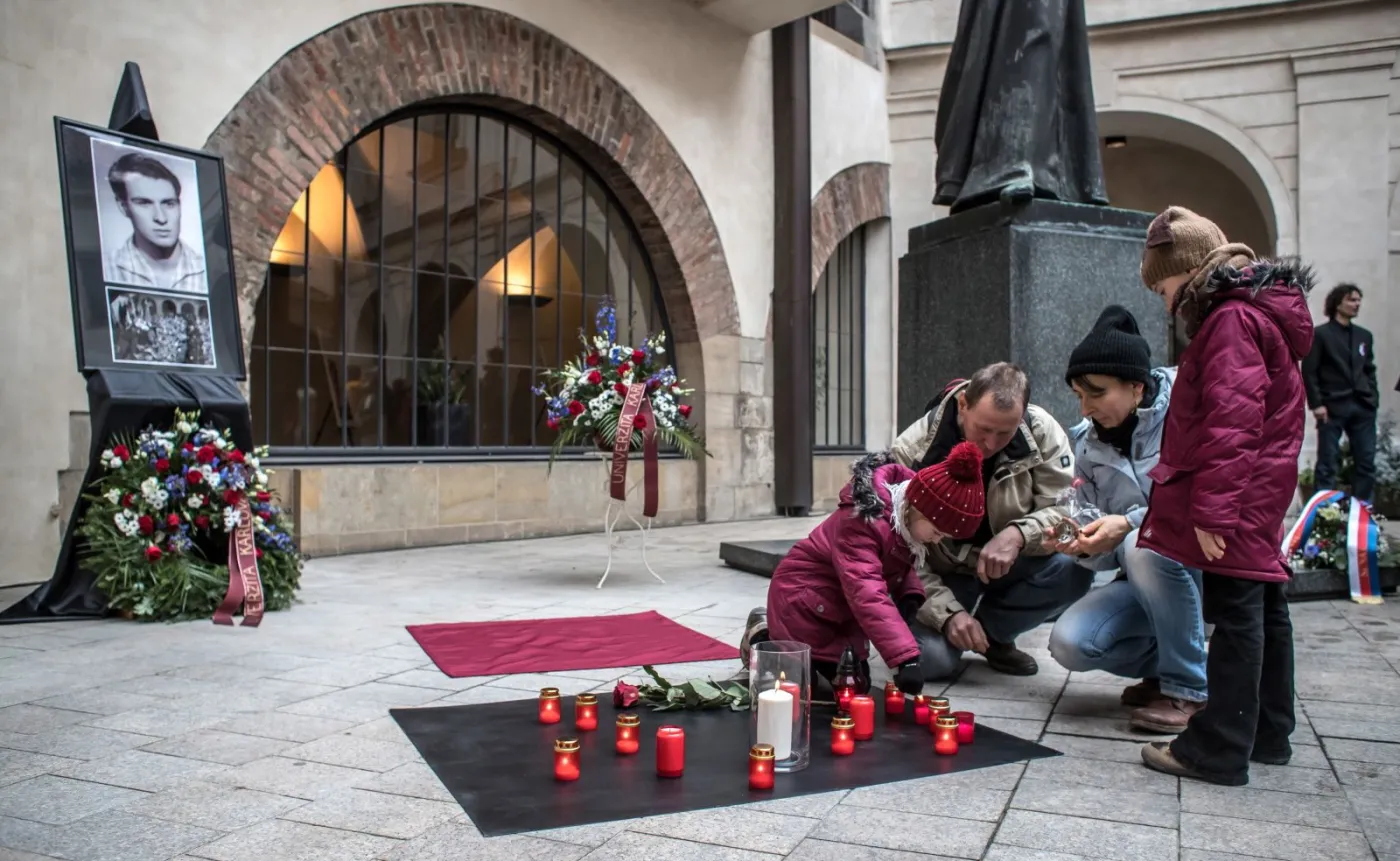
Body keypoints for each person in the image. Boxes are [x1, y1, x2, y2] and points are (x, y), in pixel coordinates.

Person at [1134, 206, 1313, 786]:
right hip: (1259, 489)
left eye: (1161, 286)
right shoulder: (1251, 313)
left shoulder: (1231, 320)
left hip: (1237, 493)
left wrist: (1213, 508)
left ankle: (1216, 747)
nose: (1162, 300)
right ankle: (1266, 731)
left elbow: (1233, 423)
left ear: (1186, 272)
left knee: (1237, 614)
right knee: (1262, 605)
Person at [1046, 305, 1208, 733]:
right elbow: (1108, 553)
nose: (1084, 409)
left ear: (1137, 387)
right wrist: (1084, 545)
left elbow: (1199, 498)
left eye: (1096, 393)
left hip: (1206, 568)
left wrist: (1130, 524)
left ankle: (1189, 690)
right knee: (1069, 643)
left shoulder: (1187, 410)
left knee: (1143, 542)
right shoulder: (1086, 446)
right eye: (1078, 395)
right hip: (1140, 577)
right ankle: (1166, 670)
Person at [891, 362, 1093, 678]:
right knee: (929, 662)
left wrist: (1018, 535)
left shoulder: (1043, 432)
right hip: (941, 574)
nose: (991, 443)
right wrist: (947, 615)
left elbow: (1068, 510)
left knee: (1076, 568)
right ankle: (957, 630)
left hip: (1014, 562)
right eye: (983, 429)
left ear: (1024, 414)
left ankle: (993, 635)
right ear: (963, 405)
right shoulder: (912, 451)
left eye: (1005, 432)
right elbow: (898, 552)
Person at [751, 442, 988, 696]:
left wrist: (910, 596)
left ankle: (774, 639)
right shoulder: (862, 523)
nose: (938, 539)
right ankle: (764, 638)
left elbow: (897, 563)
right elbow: (867, 592)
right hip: (802, 604)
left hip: (840, 610)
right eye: (937, 531)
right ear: (917, 508)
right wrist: (904, 658)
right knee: (807, 692)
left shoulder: (905, 525)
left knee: (855, 688)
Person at [1303, 283, 1378, 502]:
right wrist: (1316, 404)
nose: (1357, 304)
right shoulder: (1321, 335)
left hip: (1362, 406)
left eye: (1358, 300)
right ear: (1338, 303)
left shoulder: (1364, 336)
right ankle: (1324, 515)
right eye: (1351, 300)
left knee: (1366, 462)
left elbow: (1369, 369)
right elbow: (1309, 372)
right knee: (1328, 462)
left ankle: (1364, 515)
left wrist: (1373, 398)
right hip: (1332, 406)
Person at [105, 152, 207, 294]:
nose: (161, 218)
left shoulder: (207, 269)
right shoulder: (106, 267)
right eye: (144, 203)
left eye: (169, 204)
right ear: (123, 207)